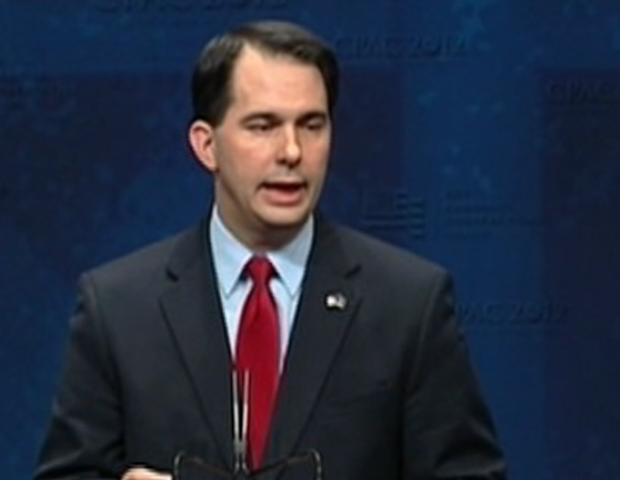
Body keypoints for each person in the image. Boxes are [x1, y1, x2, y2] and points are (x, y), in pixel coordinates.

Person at [34, 20, 507, 480]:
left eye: (311, 125)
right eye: (263, 126)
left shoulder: (409, 303)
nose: (292, 151)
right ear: (206, 145)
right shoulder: (117, 308)